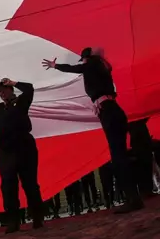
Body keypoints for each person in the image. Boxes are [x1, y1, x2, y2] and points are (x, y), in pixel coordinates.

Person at [43, 47, 144, 213]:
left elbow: (75, 68)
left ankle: (133, 198)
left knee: (118, 156)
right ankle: (135, 196)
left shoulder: (92, 65)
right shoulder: (102, 68)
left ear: (86, 59)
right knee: (121, 154)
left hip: (108, 111)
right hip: (113, 109)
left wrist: (56, 66)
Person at [0, 78, 44, 233]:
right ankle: (13, 221)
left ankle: (37, 217)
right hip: (5, 150)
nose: (2, 93)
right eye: (0, 91)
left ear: (11, 90)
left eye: (5, 89)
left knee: (30, 184)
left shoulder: (21, 102)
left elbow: (29, 88)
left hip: (24, 146)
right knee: (8, 186)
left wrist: (13, 82)